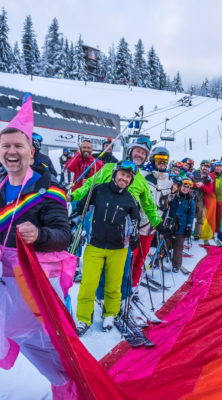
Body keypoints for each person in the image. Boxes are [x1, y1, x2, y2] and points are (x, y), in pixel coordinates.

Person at [0, 95, 76, 397]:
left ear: (31, 152)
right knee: (13, 333)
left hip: (34, 283)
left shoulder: (47, 190)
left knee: (50, 344)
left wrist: (39, 235)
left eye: (18, 146)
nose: (11, 152)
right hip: (5, 285)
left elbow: (63, 235)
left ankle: (69, 388)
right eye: (6, 146)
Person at [70, 137, 162, 301]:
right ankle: (101, 297)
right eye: (137, 151)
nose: (139, 155)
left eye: (143, 153)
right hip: (101, 225)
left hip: (124, 231)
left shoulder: (141, 180)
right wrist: (72, 195)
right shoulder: (109, 169)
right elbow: (89, 185)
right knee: (102, 266)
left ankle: (122, 298)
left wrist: (159, 224)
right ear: (130, 151)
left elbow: (149, 205)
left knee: (124, 266)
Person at [75, 161, 140, 335]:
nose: (124, 179)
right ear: (115, 174)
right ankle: (83, 318)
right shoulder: (98, 190)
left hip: (118, 249)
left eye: (128, 177)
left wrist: (134, 237)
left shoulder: (131, 199)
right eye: (122, 174)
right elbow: (81, 207)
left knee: (113, 285)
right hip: (95, 246)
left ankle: (110, 313)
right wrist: (73, 217)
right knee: (88, 285)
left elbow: (135, 223)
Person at [163, 177, 195, 274]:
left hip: (182, 227)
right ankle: (157, 261)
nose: (186, 188)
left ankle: (176, 265)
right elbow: (166, 207)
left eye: (188, 187)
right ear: (181, 186)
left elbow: (191, 215)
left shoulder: (190, 201)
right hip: (170, 224)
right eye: (184, 186)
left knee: (178, 247)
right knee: (165, 244)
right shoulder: (174, 197)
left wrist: (189, 226)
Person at [192, 160, 213, 240]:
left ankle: (197, 234)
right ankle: (185, 233)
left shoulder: (209, 179)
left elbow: (210, 191)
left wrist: (202, 186)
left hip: (202, 198)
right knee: (188, 214)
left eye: (207, 167)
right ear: (201, 166)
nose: (205, 168)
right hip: (192, 196)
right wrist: (195, 185)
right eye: (204, 166)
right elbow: (188, 183)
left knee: (201, 216)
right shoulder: (194, 173)